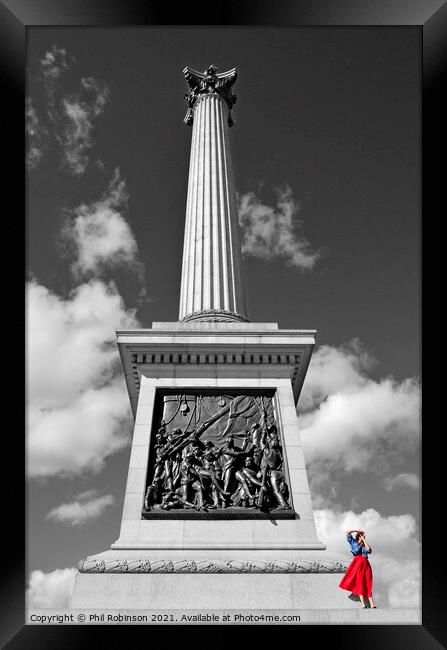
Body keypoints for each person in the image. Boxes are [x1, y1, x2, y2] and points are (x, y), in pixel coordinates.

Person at [339, 529, 376, 608]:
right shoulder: (353, 542)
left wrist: (363, 540)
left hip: (366, 564)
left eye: (363, 535)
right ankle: (363, 604)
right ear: (358, 536)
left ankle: (372, 605)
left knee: (368, 583)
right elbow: (347, 533)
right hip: (358, 563)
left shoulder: (364, 545)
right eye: (361, 535)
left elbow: (369, 550)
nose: (362, 536)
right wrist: (356, 530)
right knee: (360, 583)